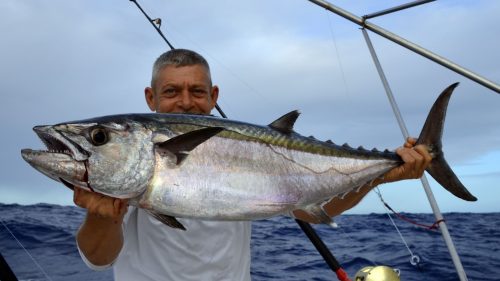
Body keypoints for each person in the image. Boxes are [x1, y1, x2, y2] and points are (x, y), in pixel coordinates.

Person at [74, 49, 432, 280]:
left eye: (198, 91)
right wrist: (101, 215)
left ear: (214, 97)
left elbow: (309, 211)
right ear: (151, 97)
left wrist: (381, 175)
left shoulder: (244, 143)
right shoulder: (126, 163)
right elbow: (99, 260)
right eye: (171, 92)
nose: (186, 102)